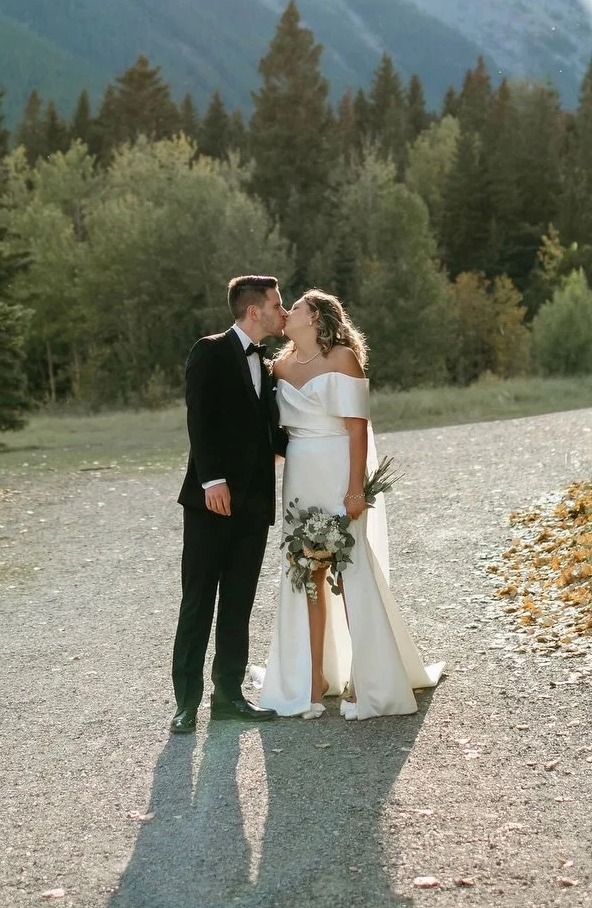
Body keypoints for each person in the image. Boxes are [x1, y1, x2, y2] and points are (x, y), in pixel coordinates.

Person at [254, 290, 444, 719]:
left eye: (296, 307)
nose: (287, 312)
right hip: (300, 474)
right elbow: (275, 433)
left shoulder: (343, 359)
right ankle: (313, 682)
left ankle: (369, 682)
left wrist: (355, 489)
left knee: (351, 569)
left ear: (316, 317)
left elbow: (358, 430)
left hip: (338, 468)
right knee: (306, 573)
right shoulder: (279, 367)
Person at [170, 274, 289, 734]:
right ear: (254, 311)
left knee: (238, 602)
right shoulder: (210, 350)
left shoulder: (271, 362)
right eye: (278, 305)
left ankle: (229, 696)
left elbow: (271, 431)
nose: (284, 311)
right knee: (198, 599)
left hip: (255, 503)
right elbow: (199, 418)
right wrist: (211, 480)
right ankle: (185, 703)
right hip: (210, 502)